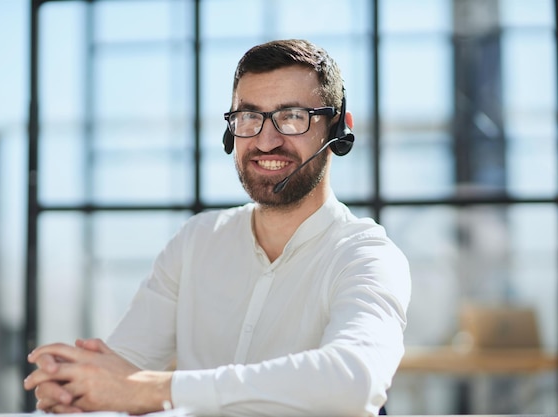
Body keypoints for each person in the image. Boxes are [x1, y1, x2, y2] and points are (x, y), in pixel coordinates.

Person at [23, 38, 411, 417]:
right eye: (250, 117)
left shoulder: (367, 256)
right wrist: (76, 382)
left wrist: (158, 391)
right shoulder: (197, 242)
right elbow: (126, 367)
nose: (267, 140)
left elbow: (352, 383)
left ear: (339, 127)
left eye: (292, 116)